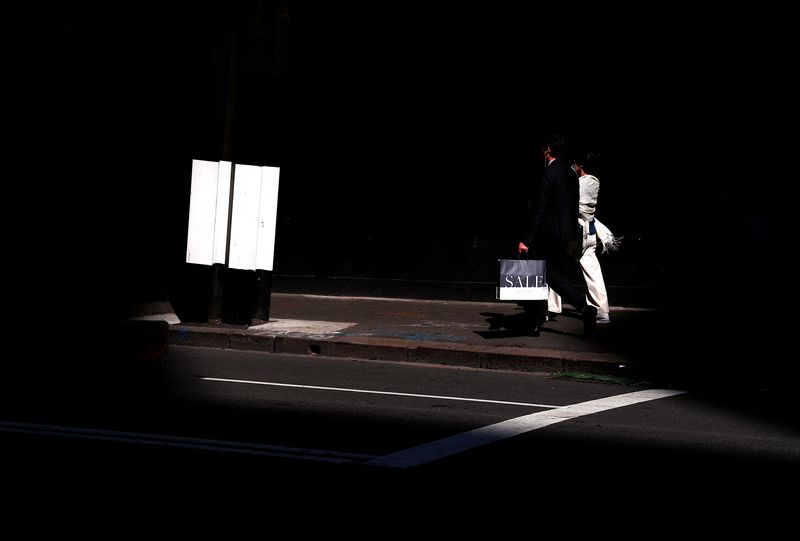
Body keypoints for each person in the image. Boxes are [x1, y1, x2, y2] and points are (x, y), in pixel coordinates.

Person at [519, 134, 597, 337]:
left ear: (548, 150)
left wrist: (526, 240)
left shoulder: (549, 173)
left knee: (537, 275)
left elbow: (540, 209)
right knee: (553, 275)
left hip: (547, 236)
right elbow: (573, 206)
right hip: (566, 236)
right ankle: (585, 308)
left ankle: (534, 322)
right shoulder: (571, 174)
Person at [548, 151, 620, 324]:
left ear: (579, 165)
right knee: (592, 270)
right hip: (590, 232)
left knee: (556, 268)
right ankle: (602, 311)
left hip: (576, 234)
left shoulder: (581, 182)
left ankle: (551, 307)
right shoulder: (595, 182)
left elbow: (570, 204)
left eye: (575, 164)